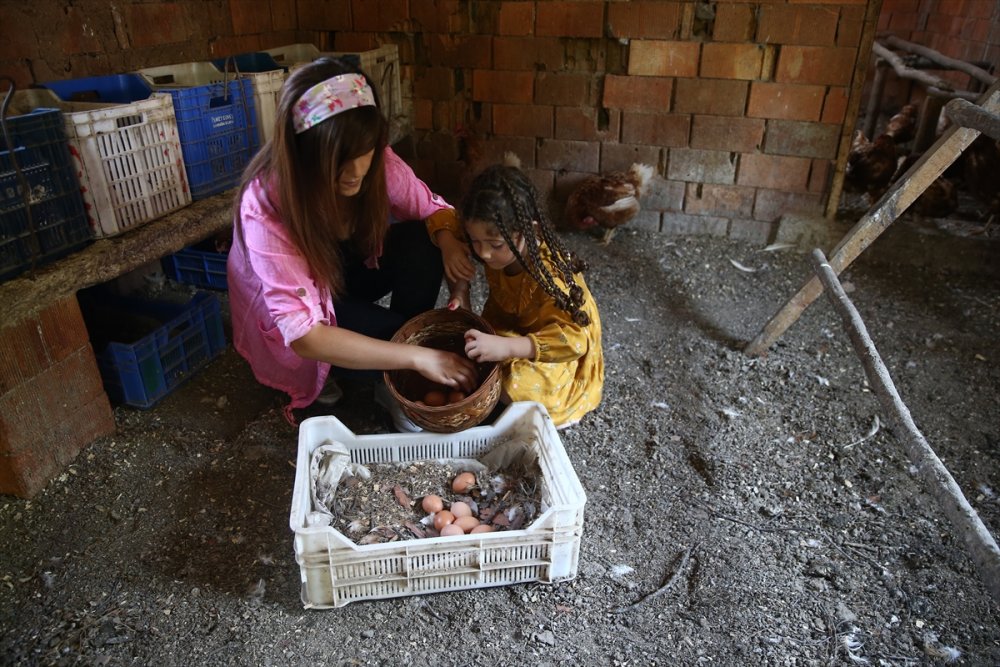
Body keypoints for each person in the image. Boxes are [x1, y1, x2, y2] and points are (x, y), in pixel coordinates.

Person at [226, 57, 477, 429]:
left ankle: (390, 373)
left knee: (421, 242)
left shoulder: (375, 163)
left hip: (340, 271)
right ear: (304, 155)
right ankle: (391, 372)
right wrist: (416, 356)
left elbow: (434, 210)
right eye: (339, 161)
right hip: (300, 305)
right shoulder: (266, 207)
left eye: (366, 152)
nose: (356, 172)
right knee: (398, 339)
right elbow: (305, 335)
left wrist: (456, 267)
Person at [454, 156, 604, 429]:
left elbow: (574, 341)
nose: (484, 253)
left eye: (495, 244)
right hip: (517, 333)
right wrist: (461, 289)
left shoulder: (549, 275)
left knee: (511, 384)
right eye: (475, 241)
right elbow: (441, 220)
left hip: (557, 352)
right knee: (471, 354)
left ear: (529, 230)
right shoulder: (498, 252)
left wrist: (507, 347)